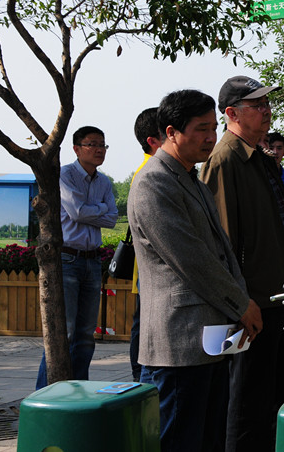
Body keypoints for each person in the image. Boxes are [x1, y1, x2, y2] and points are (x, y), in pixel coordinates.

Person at [128, 89, 263, 452]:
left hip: (211, 339)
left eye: (214, 127)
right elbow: (192, 260)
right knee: (178, 441)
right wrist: (241, 304)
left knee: (208, 440)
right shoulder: (153, 182)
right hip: (177, 344)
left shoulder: (192, 179)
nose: (210, 137)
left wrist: (241, 300)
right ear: (171, 132)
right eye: (201, 129)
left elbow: (223, 252)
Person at [201, 76, 284, 451]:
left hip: (277, 299)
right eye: (257, 105)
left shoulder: (259, 156)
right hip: (251, 305)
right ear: (232, 113)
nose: (266, 111)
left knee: (276, 399)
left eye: (266, 104)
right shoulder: (225, 160)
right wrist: (240, 303)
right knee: (246, 406)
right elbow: (222, 245)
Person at [36, 126, 119, 389]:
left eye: (103, 145)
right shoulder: (65, 175)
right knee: (64, 332)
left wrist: (94, 210)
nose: (99, 150)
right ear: (76, 148)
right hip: (68, 260)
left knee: (85, 335)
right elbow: (77, 212)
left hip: (93, 261)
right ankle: (45, 393)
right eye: (92, 144)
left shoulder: (104, 182)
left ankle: (78, 392)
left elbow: (112, 218)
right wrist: (100, 208)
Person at [129, 108, 162, 382]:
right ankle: (140, 378)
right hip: (151, 270)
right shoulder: (150, 175)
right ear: (153, 141)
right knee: (146, 327)